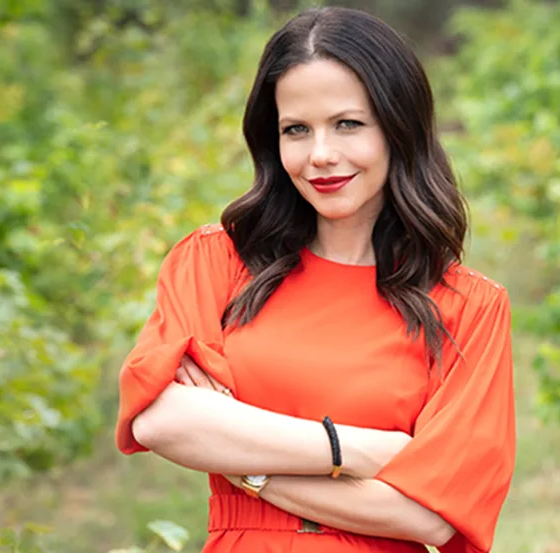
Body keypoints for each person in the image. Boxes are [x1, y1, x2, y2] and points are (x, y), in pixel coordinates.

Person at [115, 6, 515, 553]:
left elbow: (431, 516)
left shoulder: (470, 306)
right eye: (296, 130)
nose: (321, 155)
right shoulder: (218, 262)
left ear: (398, 129)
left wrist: (249, 469)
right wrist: (355, 450)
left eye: (348, 124)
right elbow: (160, 422)